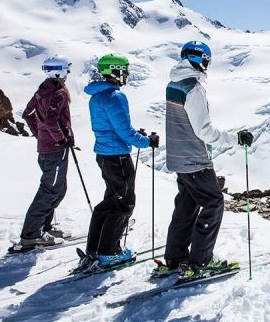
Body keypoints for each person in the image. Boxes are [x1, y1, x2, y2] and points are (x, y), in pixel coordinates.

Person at [154, 41, 253, 279]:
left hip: (178, 158)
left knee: (186, 206)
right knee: (213, 203)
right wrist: (236, 139)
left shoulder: (173, 83)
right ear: (202, 60)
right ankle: (201, 260)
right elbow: (205, 131)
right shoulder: (194, 89)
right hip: (195, 159)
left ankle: (175, 257)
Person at [77, 53, 159, 271]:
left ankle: (95, 248)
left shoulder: (97, 96)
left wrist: (136, 136)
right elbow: (124, 132)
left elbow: (114, 127)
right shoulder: (115, 96)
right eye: (124, 70)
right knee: (124, 203)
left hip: (105, 154)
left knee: (110, 202)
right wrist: (147, 141)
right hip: (118, 156)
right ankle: (109, 252)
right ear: (115, 71)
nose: (127, 75)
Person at [19, 55, 74, 248]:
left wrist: (39, 134)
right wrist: (60, 139)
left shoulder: (42, 90)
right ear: (58, 72)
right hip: (55, 150)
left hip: (46, 148)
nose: (68, 74)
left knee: (57, 189)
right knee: (50, 190)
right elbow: (51, 120)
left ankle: (44, 227)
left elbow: (28, 114)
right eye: (66, 70)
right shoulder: (58, 92)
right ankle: (31, 234)